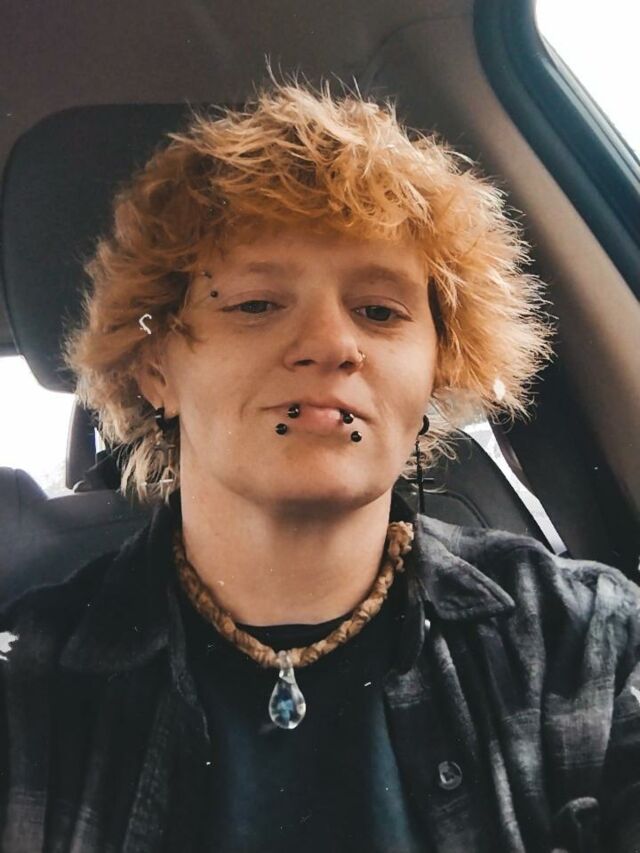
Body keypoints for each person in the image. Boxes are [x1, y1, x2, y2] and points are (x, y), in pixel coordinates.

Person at [1, 80, 639, 853]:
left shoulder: (587, 644)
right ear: (155, 367)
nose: (333, 344)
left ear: (437, 369)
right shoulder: (26, 686)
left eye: (380, 311)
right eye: (255, 304)